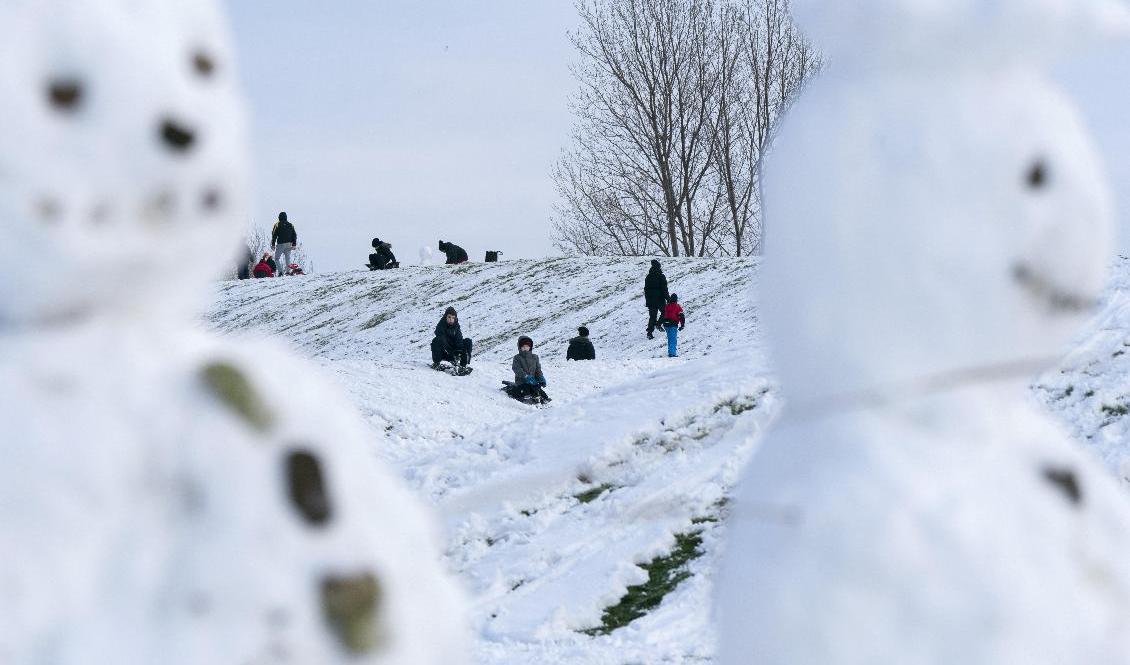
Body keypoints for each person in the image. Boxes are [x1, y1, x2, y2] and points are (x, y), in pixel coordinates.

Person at [505, 336, 550, 404]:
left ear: (530, 347)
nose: (525, 348)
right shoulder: (517, 358)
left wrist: (541, 377)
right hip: (521, 382)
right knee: (526, 390)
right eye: (523, 347)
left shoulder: (535, 357)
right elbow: (516, 369)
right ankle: (511, 390)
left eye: (527, 346)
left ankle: (543, 400)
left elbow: (538, 370)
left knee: (541, 392)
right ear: (520, 347)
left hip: (533, 382)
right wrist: (526, 376)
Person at [431, 306, 473, 372]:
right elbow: (442, 340)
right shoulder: (441, 326)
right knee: (436, 340)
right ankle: (436, 363)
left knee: (468, 341)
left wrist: (459, 352)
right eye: (449, 317)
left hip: (454, 350)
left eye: (453, 318)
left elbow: (459, 339)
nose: (451, 319)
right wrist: (451, 354)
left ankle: (463, 366)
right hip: (445, 352)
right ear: (445, 317)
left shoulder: (456, 326)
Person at [644, 259, 669, 339]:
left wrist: (647, 300)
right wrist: (668, 298)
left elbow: (646, 289)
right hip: (659, 298)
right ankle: (658, 324)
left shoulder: (648, 277)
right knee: (665, 312)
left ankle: (649, 333)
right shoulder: (661, 276)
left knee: (652, 316)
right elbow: (664, 289)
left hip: (650, 300)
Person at [272, 211, 298, 276]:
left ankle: (280, 272)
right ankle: (288, 272)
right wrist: (294, 244)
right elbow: (294, 235)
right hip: (289, 244)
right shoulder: (291, 225)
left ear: (279, 217)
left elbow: (274, 235)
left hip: (280, 244)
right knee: (287, 258)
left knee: (276, 259)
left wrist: (273, 244)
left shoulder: (277, 224)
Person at [662, 293, 686, 358]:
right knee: (673, 339)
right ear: (676, 299)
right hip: (673, 324)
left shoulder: (667, 306)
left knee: (670, 338)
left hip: (666, 324)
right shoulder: (677, 307)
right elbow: (681, 316)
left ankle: (671, 351)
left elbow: (663, 314)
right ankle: (672, 354)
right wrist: (682, 325)